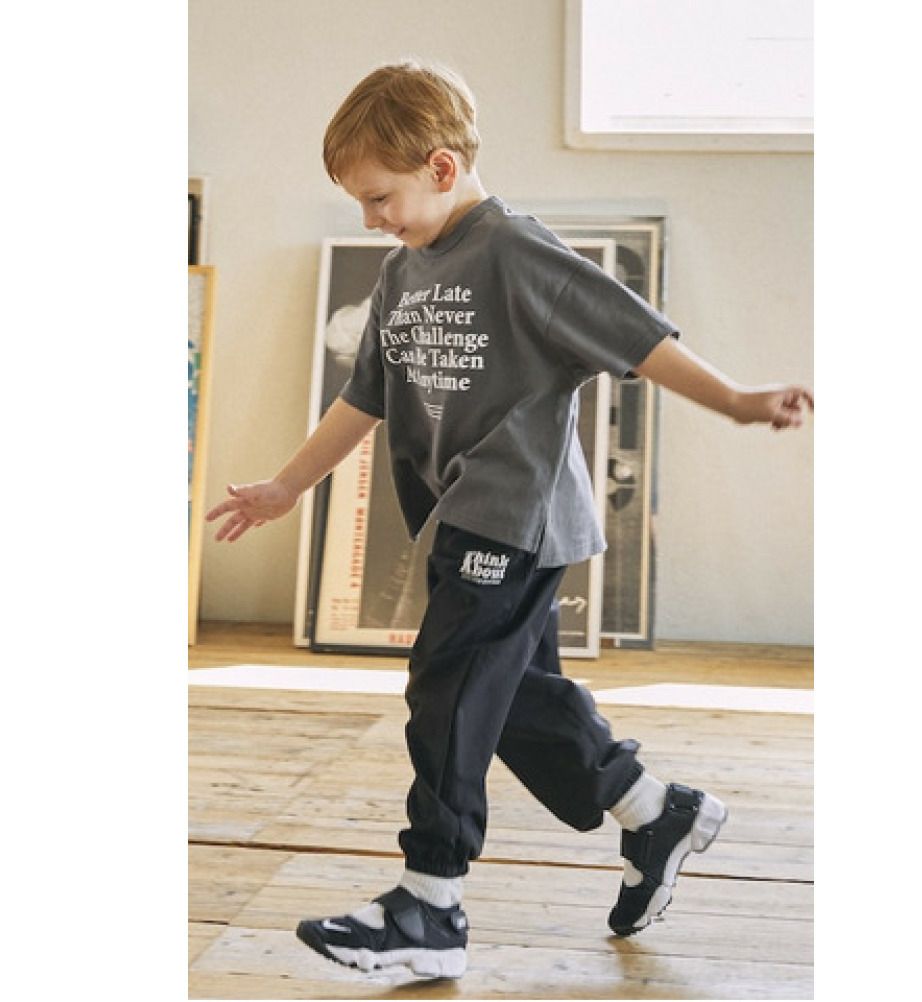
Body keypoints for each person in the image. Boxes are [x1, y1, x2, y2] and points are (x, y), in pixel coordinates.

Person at [205, 60, 813, 980]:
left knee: (448, 687)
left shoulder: (516, 252)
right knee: (512, 700)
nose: (371, 219)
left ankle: (430, 903)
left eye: (380, 198)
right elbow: (363, 399)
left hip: (513, 515)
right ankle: (657, 813)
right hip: (458, 519)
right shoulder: (403, 272)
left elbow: (636, 334)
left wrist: (735, 401)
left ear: (442, 168)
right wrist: (288, 487)